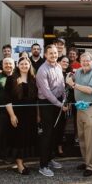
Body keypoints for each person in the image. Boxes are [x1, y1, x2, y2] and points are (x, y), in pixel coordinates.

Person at [65, 52, 92, 177]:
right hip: (80, 107)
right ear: (80, 61)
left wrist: (73, 84)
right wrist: (69, 78)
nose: (86, 63)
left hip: (91, 107)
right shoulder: (79, 71)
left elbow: (90, 90)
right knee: (81, 136)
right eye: (83, 60)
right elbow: (69, 78)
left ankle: (91, 166)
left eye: (88, 60)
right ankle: (86, 161)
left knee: (89, 137)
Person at [36, 44, 67, 177]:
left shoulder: (59, 66)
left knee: (55, 133)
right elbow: (47, 93)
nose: (54, 55)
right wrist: (60, 104)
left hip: (59, 102)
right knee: (47, 134)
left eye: (55, 53)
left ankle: (50, 158)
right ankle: (43, 165)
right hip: (48, 104)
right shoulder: (42, 70)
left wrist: (64, 99)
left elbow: (62, 85)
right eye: (51, 53)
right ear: (45, 55)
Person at [5, 57, 38, 175]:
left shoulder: (33, 79)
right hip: (17, 114)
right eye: (22, 64)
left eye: (26, 64)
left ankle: (22, 161)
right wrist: (12, 115)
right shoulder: (11, 79)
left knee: (26, 138)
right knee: (18, 139)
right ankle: (19, 164)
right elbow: (7, 99)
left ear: (30, 65)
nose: (24, 66)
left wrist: (38, 115)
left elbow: (36, 99)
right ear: (18, 65)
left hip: (30, 114)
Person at [56, 55, 73, 157]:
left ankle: (59, 148)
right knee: (55, 126)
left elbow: (71, 90)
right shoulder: (55, 72)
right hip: (55, 102)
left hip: (65, 104)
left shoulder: (70, 74)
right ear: (58, 62)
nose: (65, 63)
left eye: (67, 62)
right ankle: (53, 147)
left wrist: (70, 102)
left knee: (62, 127)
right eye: (63, 61)